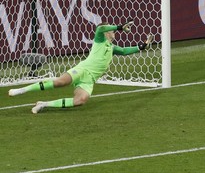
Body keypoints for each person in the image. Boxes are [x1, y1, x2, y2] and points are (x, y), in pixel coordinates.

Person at [8, 21, 153, 114]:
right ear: (107, 32)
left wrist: (141, 46)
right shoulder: (100, 39)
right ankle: (22, 90)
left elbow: (124, 51)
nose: (114, 33)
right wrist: (120, 27)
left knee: (81, 100)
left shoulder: (112, 47)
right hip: (82, 69)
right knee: (60, 82)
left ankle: (43, 104)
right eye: (112, 30)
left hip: (89, 79)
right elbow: (101, 27)